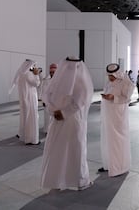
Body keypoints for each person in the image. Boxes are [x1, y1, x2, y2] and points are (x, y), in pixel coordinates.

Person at [41, 56, 94, 191]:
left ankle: (78, 180)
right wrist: (54, 111)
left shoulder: (81, 82)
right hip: (60, 121)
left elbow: (80, 102)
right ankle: (59, 180)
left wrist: (62, 113)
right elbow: (48, 96)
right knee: (60, 150)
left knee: (75, 150)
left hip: (73, 122)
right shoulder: (59, 81)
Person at [99, 63, 135, 176]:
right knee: (107, 139)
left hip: (118, 117)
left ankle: (119, 167)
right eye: (109, 76)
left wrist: (113, 97)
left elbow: (126, 98)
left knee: (117, 140)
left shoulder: (126, 83)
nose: (110, 78)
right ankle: (109, 164)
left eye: (112, 76)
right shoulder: (109, 82)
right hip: (108, 115)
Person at [9, 59, 41, 145]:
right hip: (30, 99)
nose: (34, 67)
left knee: (24, 117)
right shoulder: (28, 74)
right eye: (33, 65)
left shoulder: (21, 73)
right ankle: (31, 139)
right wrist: (37, 74)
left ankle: (23, 136)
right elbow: (37, 83)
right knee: (31, 118)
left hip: (24, 99)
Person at [40, 63, 57, 134]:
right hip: (47, 101)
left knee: (55, 118)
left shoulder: (59, 79)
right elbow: (43, 90)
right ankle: (47, 130)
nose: (52, 73)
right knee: (47, 117)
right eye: (51, 72)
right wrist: (43, 101)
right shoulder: (46, 79)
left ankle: (54, 131)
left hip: (56, 102)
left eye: (54, 72)